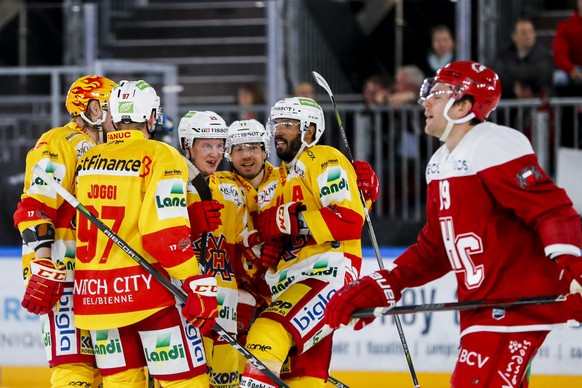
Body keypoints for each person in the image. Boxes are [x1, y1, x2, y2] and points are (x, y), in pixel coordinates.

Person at [325, 61, 582, 387]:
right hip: (484, 310)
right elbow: (436, 247)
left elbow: (551, 209)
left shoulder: (493, 143)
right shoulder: (439, 162)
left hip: (514, 307)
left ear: (463, 106)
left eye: (438, 94)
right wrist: (387, 283)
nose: (425, 101)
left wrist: (575, 268)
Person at [74, 80, 218, 387]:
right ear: (152, 117)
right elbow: (162, 233)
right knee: (185, 383)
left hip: (96, 300)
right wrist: (195, 281)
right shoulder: (159, 154)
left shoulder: (87, 161)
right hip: (148, 297)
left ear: (111, 115)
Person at [239, 97, 367, 387]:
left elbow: (348, 219)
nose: (278, 131)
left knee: (267, 333)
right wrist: (268, 247)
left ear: (309, 131)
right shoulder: (274, 182)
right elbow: (267, 242)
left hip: (325, 273)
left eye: (288, 125)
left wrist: (288, 221)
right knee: (303, 379)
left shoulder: (322, 157)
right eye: (276, 124)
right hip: (287, 285)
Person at [13, 74, 116, 388]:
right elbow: (35, 204)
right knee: (74, 367)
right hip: (63, 270)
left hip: (102, 272)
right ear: (91, 108)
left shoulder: (114, 150)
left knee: (109, 369)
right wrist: (42, 260)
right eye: (110, 107)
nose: (118, 115)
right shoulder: (60, 141)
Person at [178, 110, 243, 388]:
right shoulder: (171, 181)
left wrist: (362, 198)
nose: (214, 153)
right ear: (187, 145)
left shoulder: (231, 186)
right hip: (185, 300)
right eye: (206, 145)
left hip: (225, 305)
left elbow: (272, 185)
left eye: (219, 145)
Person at [491, 17, 554, 99]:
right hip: (509, 98)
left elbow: (542, 75)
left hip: (536, 99)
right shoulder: (504, 53)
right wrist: (514, 86)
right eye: (524, 33)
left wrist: (522, 83)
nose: (528, 36)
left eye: (531, 32)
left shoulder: (543, 54)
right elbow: (497, 72)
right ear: (514, 36)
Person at [552, 0, 582, 96]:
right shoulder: (565, 26)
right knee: (559, 78)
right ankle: (564, 111)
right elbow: (559, 55)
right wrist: (571, 69)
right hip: (572, 69)